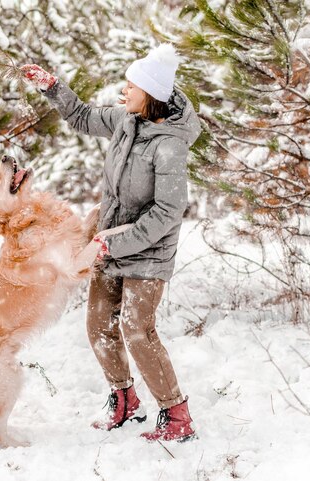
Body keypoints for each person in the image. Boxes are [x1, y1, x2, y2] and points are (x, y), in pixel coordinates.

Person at [20, 43, 200, 442]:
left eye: (132, 86)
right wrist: (53, 87)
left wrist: (114, 245)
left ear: (151, 93)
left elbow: (168, 212)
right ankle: (124, 400)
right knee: (99, 324)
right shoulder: (124, 120)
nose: (124, 91)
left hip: (148, 251)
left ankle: (176, 414)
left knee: (137, 328)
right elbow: (83, 117)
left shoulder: (170, 145)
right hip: (111, 241)